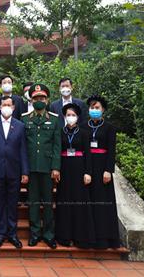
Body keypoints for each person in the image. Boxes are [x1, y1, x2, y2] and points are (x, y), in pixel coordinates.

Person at [21, 84, 61, 249]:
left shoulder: (54, 119)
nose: (39, 100)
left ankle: (49, 235)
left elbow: (57, 145)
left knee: (48, 202)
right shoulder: (25, 119)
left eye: (42, 98)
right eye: (36, 98)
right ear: (31, 99)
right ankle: (35, 234)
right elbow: (22, 146)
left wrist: (56, 167)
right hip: (31, 167)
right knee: (33, 203)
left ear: (47, 99)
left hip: (47, 167)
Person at [0, 96, 29, 248]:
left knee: (12, 204)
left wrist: (25, 171)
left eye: (9, 105)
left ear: (13, 108)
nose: (6, 107)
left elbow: (23, 150)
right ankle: (0, 234)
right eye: (4, 104)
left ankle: (12, 234)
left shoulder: (20, 125)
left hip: (14, 171)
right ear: (0, 107)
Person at [55, 103, 96, 248]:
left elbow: (88, 154)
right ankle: (64, 236)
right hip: (65, 169)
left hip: (79, 169)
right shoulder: (60, 132)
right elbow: (57, 152)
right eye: (68, 115)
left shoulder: (84, 133)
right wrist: (57, 170)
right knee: (64, 202)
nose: (70, 117)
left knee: (79, 203)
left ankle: (80, 237)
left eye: (73, 115)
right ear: (64, 117)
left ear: (77, 117)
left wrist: (88, 172)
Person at [85, 95, 120, 249]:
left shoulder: (110, 128)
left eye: (97, 108)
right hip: (87, 166)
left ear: (103, 110)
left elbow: (112, 151)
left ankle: (104, 238)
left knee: (103, 204)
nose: (94, 110)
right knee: (88, 202)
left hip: (102, 167)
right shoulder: (83, 126)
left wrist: (108, 170)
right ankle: (88, 237)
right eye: (92, 108)